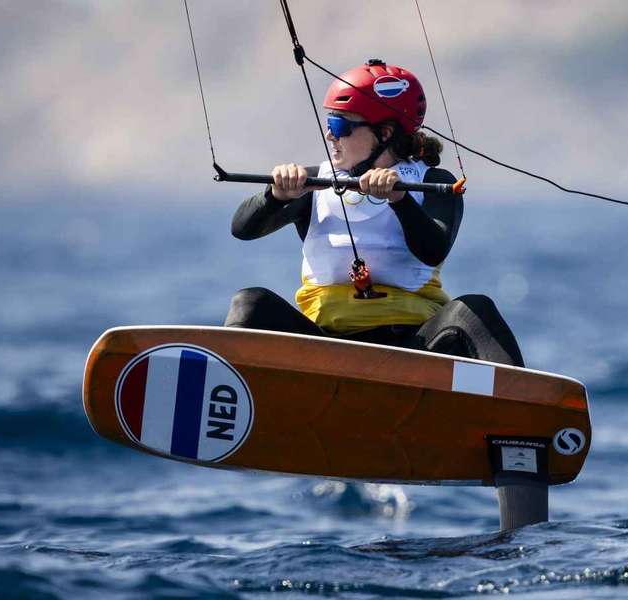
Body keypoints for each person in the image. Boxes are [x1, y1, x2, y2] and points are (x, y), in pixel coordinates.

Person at [225, 59, 542, 528]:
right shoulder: (314, 186)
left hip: (415, 352)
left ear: (387, 134)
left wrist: (396, 199)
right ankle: (243, 421)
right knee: (249, 304)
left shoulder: (432, 184)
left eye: (340, 125)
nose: (330, 135)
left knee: (474, 309)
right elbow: (242, 229)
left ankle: (525, 429)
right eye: (327, 123)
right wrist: (275, 195)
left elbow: (433, 248)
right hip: (325, 350)